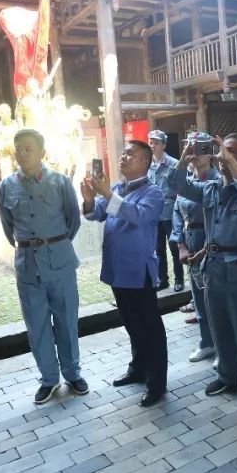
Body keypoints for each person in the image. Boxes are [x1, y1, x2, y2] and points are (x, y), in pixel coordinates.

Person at [170, 134, 237, 406]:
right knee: (220, 327)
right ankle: (228, 376)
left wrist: (229, 163)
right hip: (213, 268)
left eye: (231, 152)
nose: (222, 156)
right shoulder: (211, 189)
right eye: (220, 150)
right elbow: (175, 184)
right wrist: (186, 157)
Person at [0, 129, 86, 405]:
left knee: (66, 319)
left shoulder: (60, 182)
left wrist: (55, 244)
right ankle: (49, 378)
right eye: (18, 148)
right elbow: (7, 226)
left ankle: (72, 373)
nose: (21, 153)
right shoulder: (6, 186)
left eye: (27, 148)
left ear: (42, 152)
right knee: (36, 325)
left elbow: (73, 220)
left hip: (60, 261)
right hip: (27, 265)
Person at [82, 141, 168, 407]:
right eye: (124, 152)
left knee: (149, 325)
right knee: (131, 323)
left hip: (137, 270)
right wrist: (88, 198)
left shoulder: (152, 192)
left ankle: (157, 381)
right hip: (117, 268)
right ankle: (138, 368)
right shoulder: (118, 188)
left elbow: (137, 216)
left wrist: (107, 194)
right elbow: (95, 214)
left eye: (131, 154)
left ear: (145, 162)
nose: (124, 156)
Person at [171, 133, 219, 362]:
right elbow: (176, 214)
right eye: (189, 146)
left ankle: (224, 345)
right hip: (190, 242)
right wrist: (180, 244)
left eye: (200, 147)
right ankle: (207, 342)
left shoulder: (217, 179)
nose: (194, 152)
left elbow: (221, 220)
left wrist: (207, 247)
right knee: (198, 297)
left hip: (209, 241)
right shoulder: (186, 179)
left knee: (216, 297)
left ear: (210, 151)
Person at [147, 130, 185, 292]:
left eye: (156, 142)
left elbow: (182, 188)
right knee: (158, 249)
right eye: (151, 142)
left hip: (171, 212)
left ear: (163, 145)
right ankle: (163, 280)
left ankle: (179, 280)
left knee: (175, 247)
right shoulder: (147, 165)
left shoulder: (173, 163)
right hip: (154, 215)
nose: (153, 145)